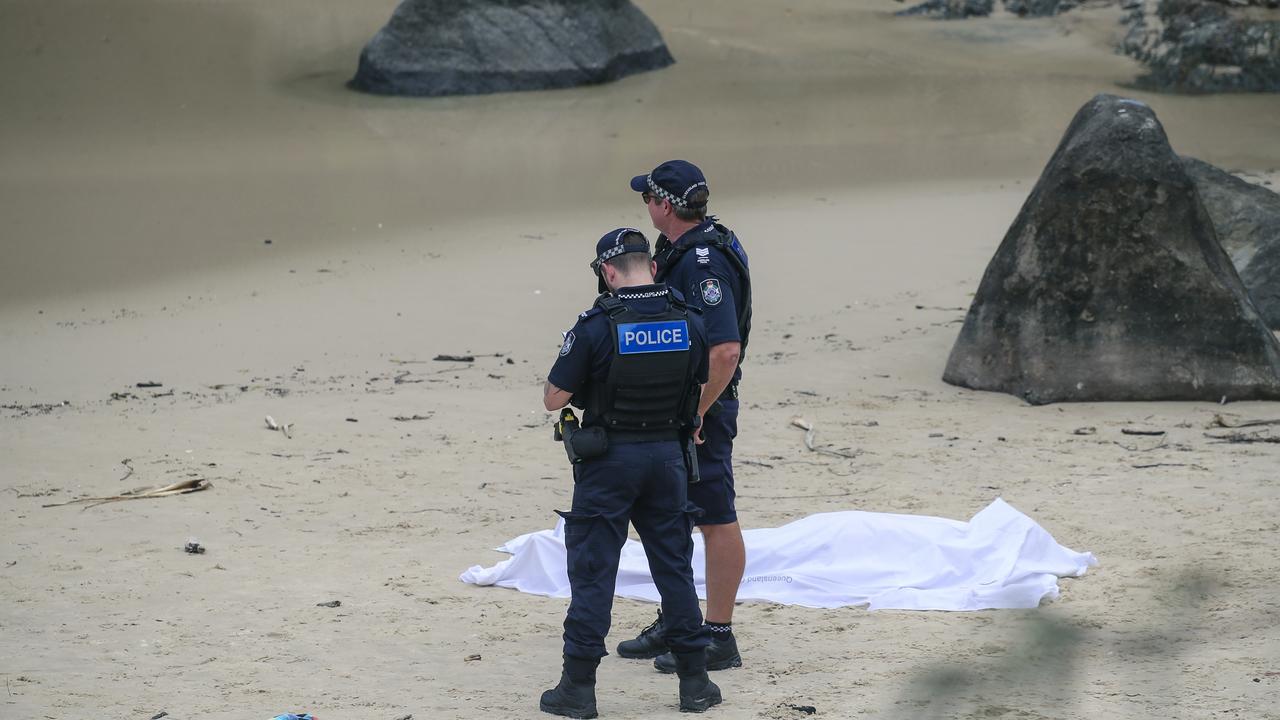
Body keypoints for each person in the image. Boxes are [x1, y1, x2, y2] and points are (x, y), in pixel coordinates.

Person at [540, 228, 724, 718]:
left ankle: (577, 690)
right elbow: (701, 378)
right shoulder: (689, 318)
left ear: (606, 272)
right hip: (668, 459)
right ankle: (696, 683)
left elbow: (554, 398)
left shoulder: (598, 324)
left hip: (609, 463)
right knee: (674, 570)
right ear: (653, 267)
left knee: (594, 572)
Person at [617, 161, 752, 674]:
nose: (645, 207)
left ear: (665, 205)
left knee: (715, 516)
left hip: (704, 408)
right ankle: (679, 620)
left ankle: (718, 636)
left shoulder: (702, 262)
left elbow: (725, 352)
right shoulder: (687, 247)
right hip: (682, 407)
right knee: (673, 513)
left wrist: (697, 410)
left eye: (648, 198)